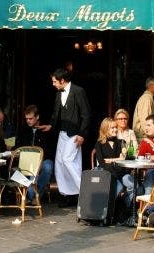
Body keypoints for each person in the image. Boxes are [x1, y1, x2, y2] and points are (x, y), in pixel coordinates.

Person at [47, 67, 91, 207]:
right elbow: (56, 113)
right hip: (62, 133)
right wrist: (50, 126)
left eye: (55, 81)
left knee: (69, 161)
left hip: (75, 134)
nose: (53, 84)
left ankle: (84, 192)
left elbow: (86, 114)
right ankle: (67, 194)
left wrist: (82, 134)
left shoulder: (78, 91)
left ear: (62, 80)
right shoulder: (59, 93)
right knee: (60, 163)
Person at [14, 105, 56, 204]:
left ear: (37, 117)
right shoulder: (23, 130)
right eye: (26, 119)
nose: (28, 121)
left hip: (43, 160)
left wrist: (40, 160)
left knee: (48, 167)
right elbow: (18, 147)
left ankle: (33, 196)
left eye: (31, 118)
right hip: (26, 161)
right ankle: (33, 196)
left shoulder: (46, 130)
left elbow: (50, 150)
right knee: (14, 171)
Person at [94, 118, 133, 216]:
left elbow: (127, 158)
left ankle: (128, 210)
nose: (115, 129)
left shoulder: (121, 142)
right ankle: (106, 213)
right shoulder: (99, 144)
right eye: (112, 128)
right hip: (108, 174)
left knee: (133, 185)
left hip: (121, 172)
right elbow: (102, 163)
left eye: (116, 127)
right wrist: (117, 159)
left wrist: (111, 160)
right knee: (118, 187)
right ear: (105, 129)